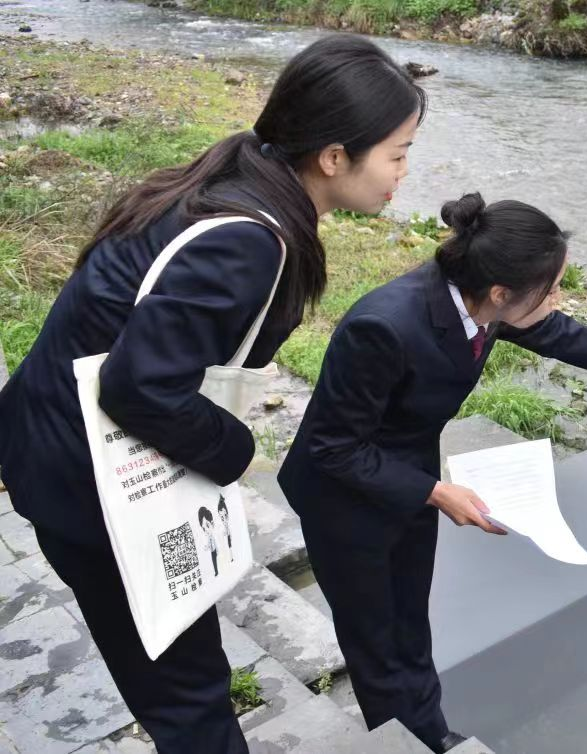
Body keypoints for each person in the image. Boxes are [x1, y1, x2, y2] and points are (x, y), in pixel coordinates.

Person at [0, 35, 425, 754]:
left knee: (182, 676)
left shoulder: (237, 172)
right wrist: (234, 449)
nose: (403, 175)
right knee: (189, 696)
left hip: (49, 446)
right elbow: (138, 386)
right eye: (398, 154)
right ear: (333, 157)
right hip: (91, 488)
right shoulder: (249, 240)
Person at [278, 192, 587, 753]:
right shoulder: (383, 327)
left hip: (409, 475)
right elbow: (332, 448)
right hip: (342, 499)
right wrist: (437, 492)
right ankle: (405, 739)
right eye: (552, 289)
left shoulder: (479, 301)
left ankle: (429, 729)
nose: (558, 299)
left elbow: (549, 330)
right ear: (502, 292)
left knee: (410, 619)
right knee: (375, 638)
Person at [199, 507, 219, 577]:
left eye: (207, 525)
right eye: (203, 528)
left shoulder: (215, 535)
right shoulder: (206, 538)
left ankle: (216, 571)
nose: (206, 530)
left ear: (212, 523)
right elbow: (206, 547)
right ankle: (216, 571)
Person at [218, 495, 234, 563]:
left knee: (230, 545)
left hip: (228, 534)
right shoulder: (222, 526)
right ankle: (230, 557)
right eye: (222, 517)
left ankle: (231, 557)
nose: (224, 519)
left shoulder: (228, 523)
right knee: (229, 546)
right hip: (227, 535)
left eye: (225, 515)